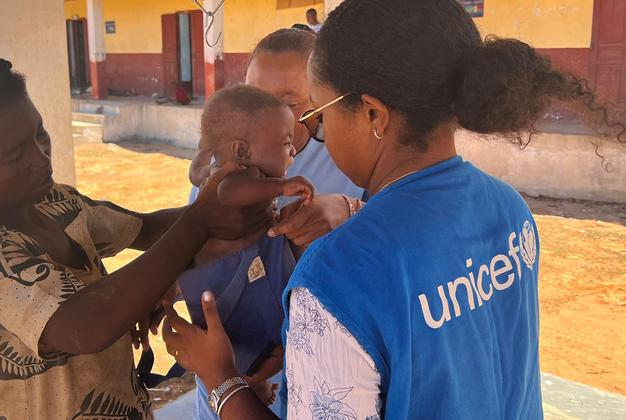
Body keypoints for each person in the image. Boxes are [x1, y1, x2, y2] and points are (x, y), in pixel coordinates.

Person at [161, 0, 625, 419]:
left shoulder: (335, 279)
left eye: (318, 113)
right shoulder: (509, 208)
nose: (310, 133)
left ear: (373, 116)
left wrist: (220, 379)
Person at [0, 58, 269, 420]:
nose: (41, 157)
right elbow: (83, 327)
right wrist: (200, 220)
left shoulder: (56, 202)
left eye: (39, 134)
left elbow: (147, 228)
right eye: (15, 155)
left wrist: (242, 206)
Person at [178, 85, 314, 419]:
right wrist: (281, 186)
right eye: (285, 143)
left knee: (261, 345)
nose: (293, 150)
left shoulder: (228, 169)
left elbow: (196, 171)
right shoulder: (234, 177)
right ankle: (251, 388)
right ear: (242, 151)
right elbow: (228, 191)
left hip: (253, 267)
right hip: (230, 283)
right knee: (245, 344)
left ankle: (254, 387)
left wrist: (205, 149)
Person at [189, 28, 365, 250]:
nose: (264, 120)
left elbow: (401, 225)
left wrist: (347, 210)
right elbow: (190, 235)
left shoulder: (349, 162)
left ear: (320, 102)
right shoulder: (226, 156)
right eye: (253, 100)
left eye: (290, 104)